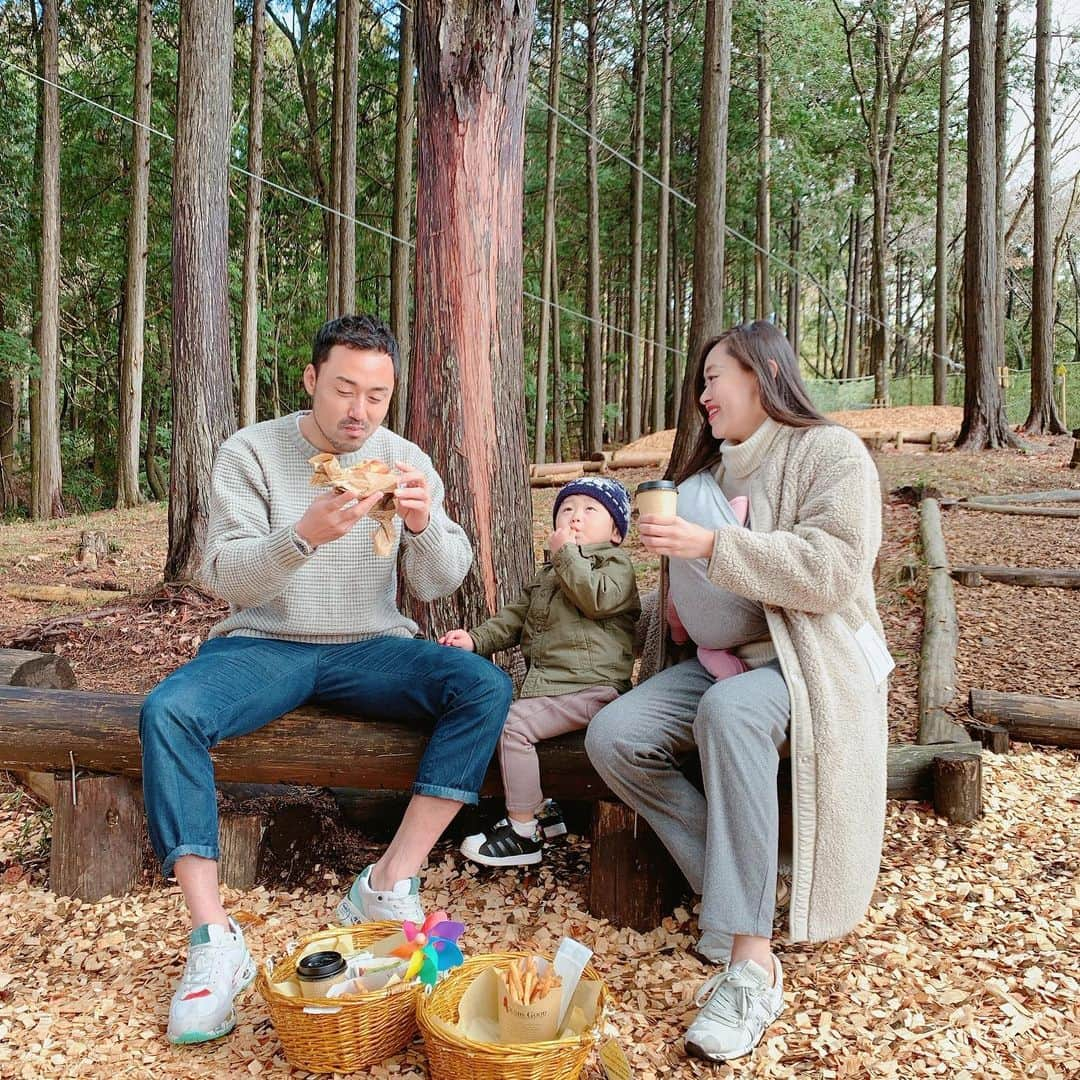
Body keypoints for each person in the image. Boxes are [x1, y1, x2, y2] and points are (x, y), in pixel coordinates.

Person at [139, 314, 512, 1046]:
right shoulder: (250, 452)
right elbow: (226, 577)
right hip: (265, 642)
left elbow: (442, 579)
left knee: (482, 687)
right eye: (344, 390)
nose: (358, 412)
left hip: (371, 644)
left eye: (376, 396)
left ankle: (386, 884)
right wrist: (304, 533)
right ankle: (214, 941)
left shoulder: (404, 458)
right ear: (312, 381)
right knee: (168, 712)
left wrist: (425, 521)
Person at [585, 321, 890, 1064]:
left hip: (810, 661)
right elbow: (687, 608)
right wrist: (671, 598)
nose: (703, 395)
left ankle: (749, 962)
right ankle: (744, 878)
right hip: (721, 662)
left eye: (714, 376)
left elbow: (834, 570)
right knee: (613, 737)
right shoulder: (698, 483)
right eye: (701, 381)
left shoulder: (830, 453)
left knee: (730, 711)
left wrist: (713, 546)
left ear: (762, 373)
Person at [439, 477, 640, 867]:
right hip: (557, 688)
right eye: (567, 509)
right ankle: (546, 812)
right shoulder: (547, 576)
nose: (575, 517)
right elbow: (513, 620)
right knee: (512, 720)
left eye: (589, 510)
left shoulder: (615, 564)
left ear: (616, 532)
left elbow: (597, 598)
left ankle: (522, 832)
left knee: (513, 725)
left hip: (594, 688)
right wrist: (475, 640)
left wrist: (565, 555)